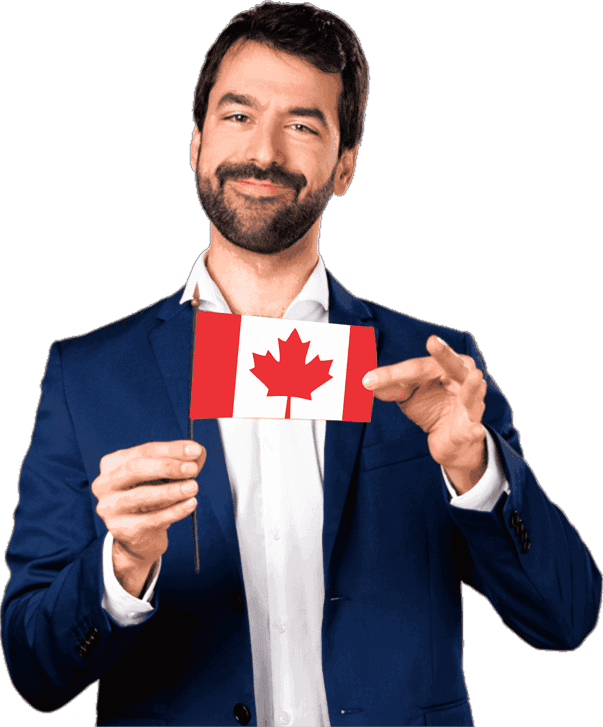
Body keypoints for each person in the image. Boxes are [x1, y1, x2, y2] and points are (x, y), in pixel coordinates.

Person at [2, 3, 600, 726]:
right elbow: (34, 669)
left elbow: (564, 615)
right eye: (237, 115)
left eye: (303, 124)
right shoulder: (86, 377)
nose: (264, 151)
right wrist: (120, 566)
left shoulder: (433, 369)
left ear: (343, 164)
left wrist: (474, 470)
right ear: (194, 143)